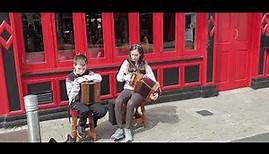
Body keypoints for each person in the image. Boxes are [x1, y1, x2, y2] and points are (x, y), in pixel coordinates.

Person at [111, 43, 160, 142]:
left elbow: (154, 82)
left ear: (140, 55)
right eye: (132, 54)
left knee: (131, 103)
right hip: (128, 88)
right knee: (118, 101)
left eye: (136, 55)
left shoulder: (144, 65)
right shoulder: (126, 63)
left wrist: (157, 93)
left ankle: (127, 129)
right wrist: (126, 77)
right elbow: (118, 77)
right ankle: (120, 128)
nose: (133, 57)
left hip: (139, 91)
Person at [66, 54, 107, 138]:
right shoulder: (70, 77)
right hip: (76, 101)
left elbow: (99, 77)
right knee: (85, 110)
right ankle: (81, 125)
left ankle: (94, 121)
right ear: (74, 65)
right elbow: (71, 95)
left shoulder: (88, 73)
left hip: (89, 100)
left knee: (102, 111)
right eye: (79, 69)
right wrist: (77, 83)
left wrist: (84, 77)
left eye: (83, 69)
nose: (81, 71)